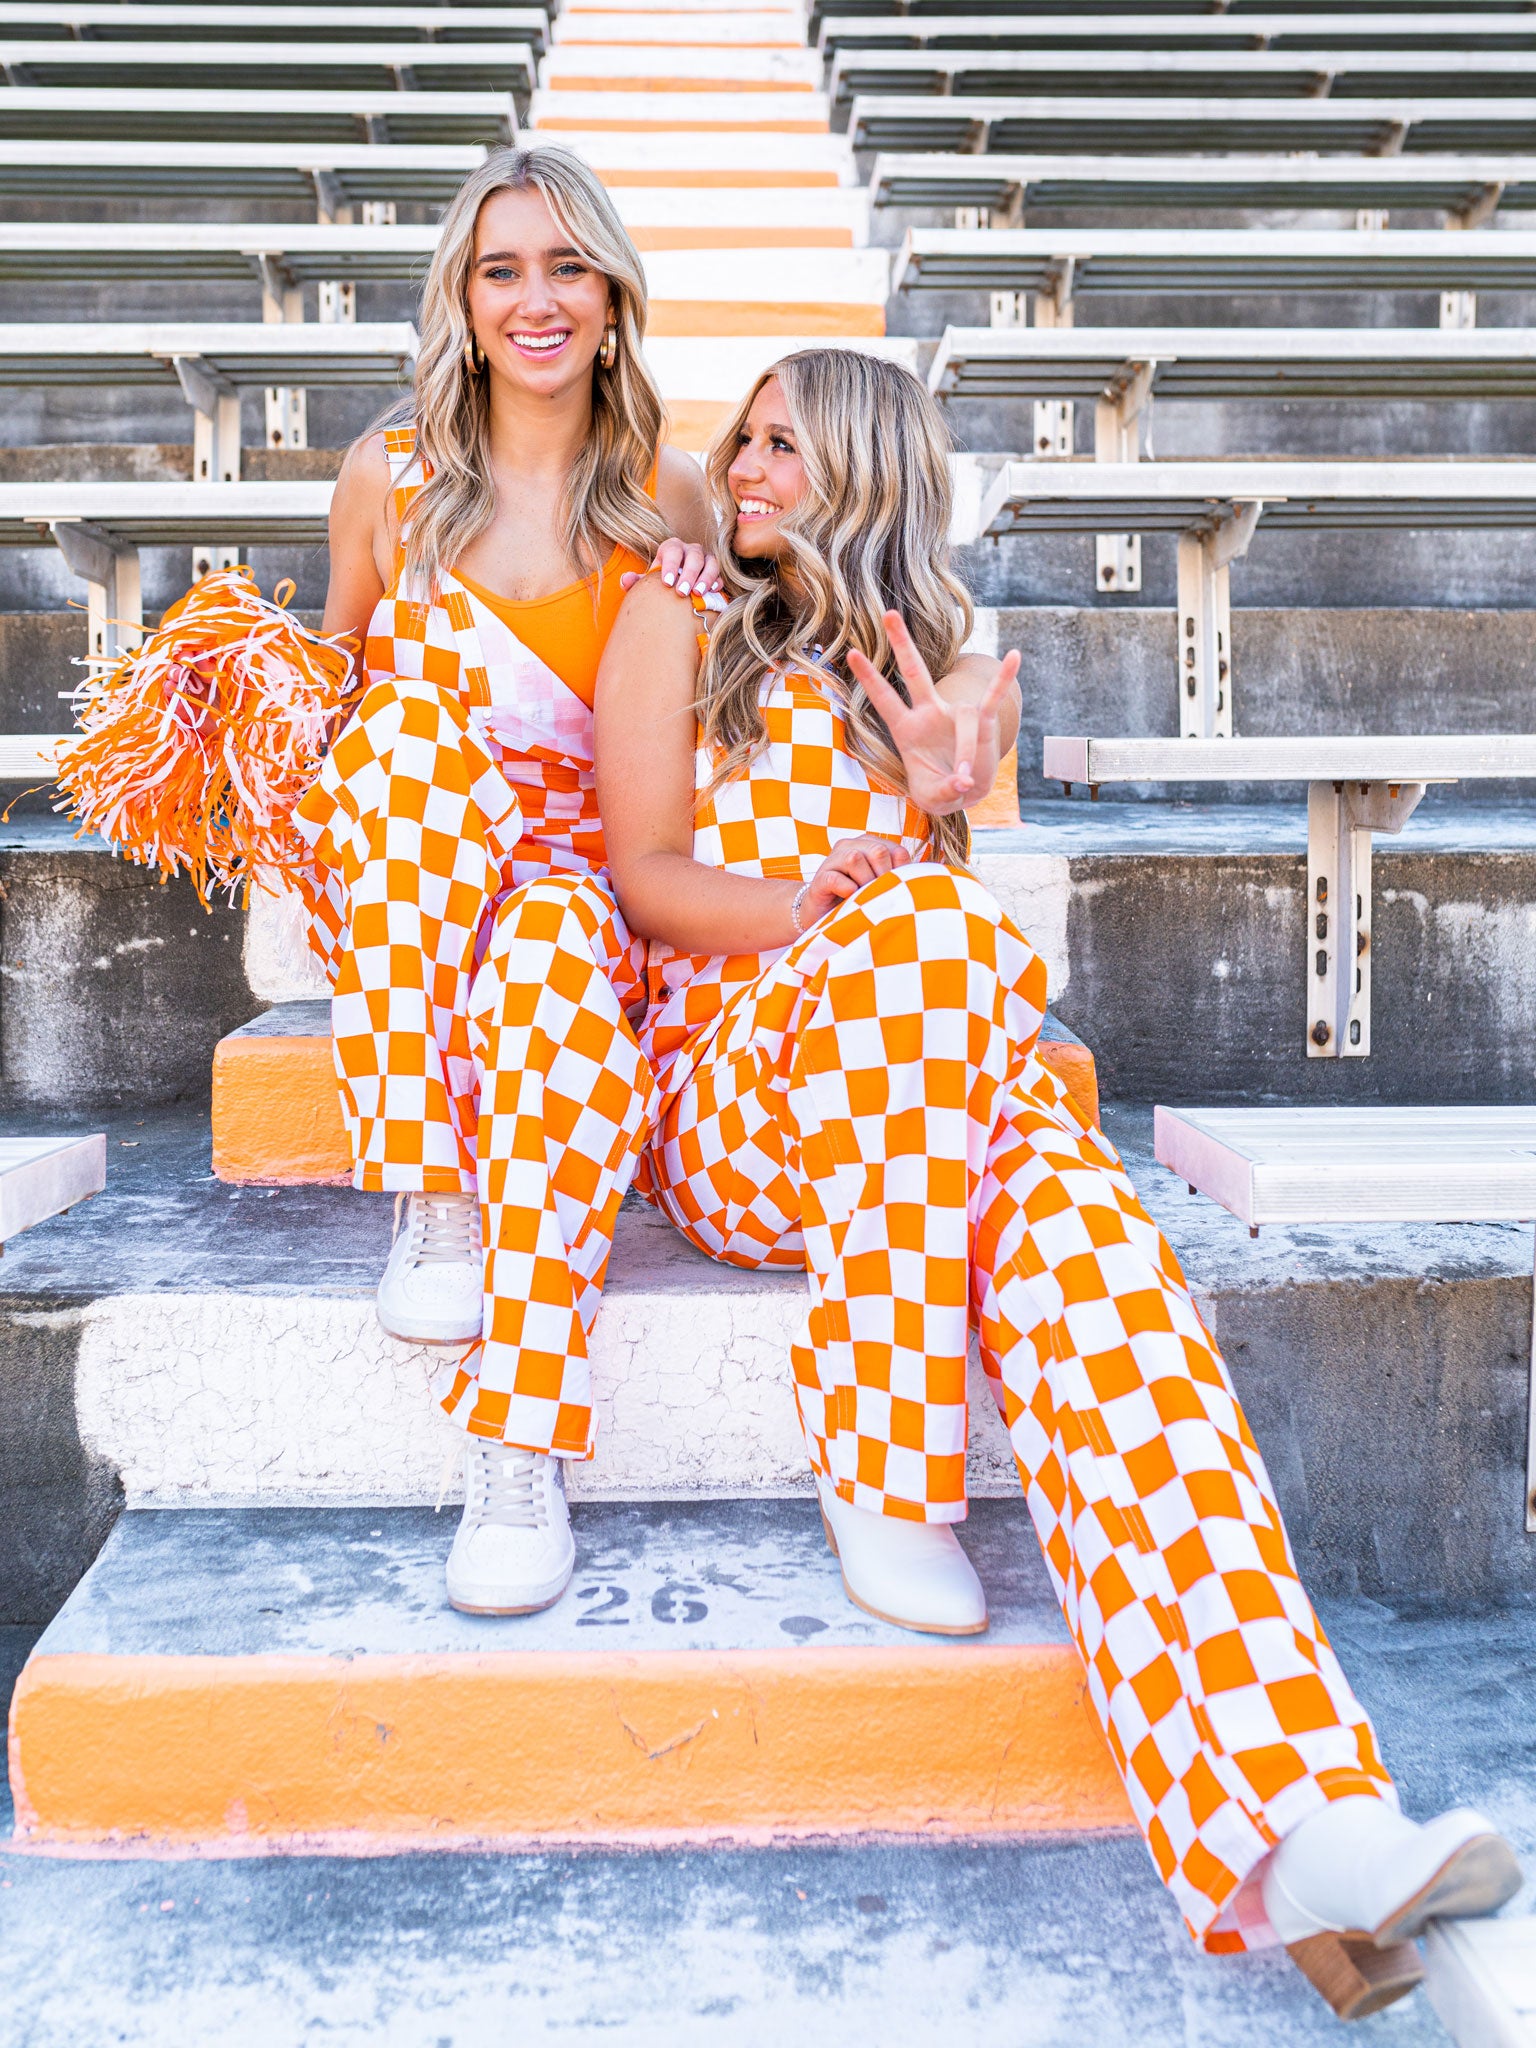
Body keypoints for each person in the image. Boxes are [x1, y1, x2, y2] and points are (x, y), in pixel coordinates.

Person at [592, 348, 1521, 2019]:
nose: (743, 471)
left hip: (928, 1093)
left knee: (1106, 1271)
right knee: (926, 933)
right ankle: (884, 1467)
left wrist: (939, 801)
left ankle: (1316, 1827)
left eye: (785, 446)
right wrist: (817, 902)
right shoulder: (679, 617)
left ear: (867, 468)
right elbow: (648, 880)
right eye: (742, 442)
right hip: (736, 1087)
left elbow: (949, 879)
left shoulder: (946, 659)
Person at [292, 143, 719, 1619]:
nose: (538, 299)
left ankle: (518, 1449)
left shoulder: (670, 493)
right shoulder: (387, 476)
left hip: (577, 893)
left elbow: (716, 728)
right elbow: (333, 701)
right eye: (502, 270)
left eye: (567, 266)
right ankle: (428, 1187)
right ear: (463, 304)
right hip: (412, 881)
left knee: (548, 970)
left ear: (611, 296)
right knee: (408, 732)